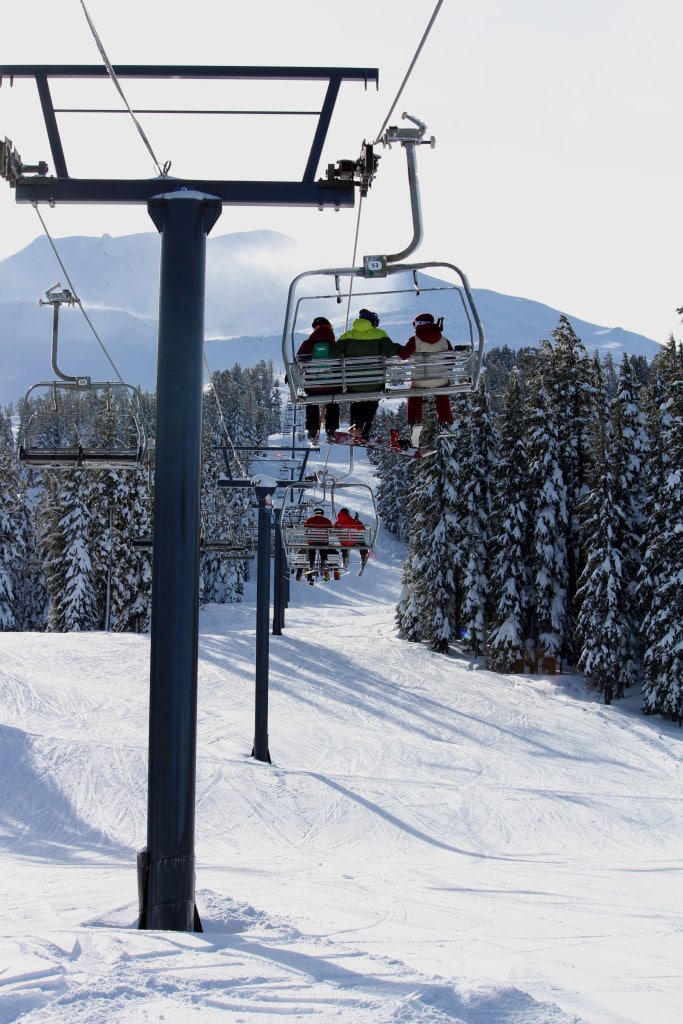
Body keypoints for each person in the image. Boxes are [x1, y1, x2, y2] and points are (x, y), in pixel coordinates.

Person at [333, 309, 399, 440]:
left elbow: (334, 353)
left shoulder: (347, 335)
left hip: (353, 383)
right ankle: (364, 429)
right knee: (372, 400)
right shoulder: (379, 334)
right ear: (373, 322)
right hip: (375, 383)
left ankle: (357, 424)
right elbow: (390, 351)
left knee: (356, 399)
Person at [397, 312, 456, 447]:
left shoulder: (415, 339)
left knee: (415, 395)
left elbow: (404, 355)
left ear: (418, 325)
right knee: (441, 394)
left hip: (420, 381)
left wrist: (397, 348)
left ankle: (415, 423)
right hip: (440, 380)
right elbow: (451, 360)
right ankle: (445, 423)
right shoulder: (444, 340)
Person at [296, 316, 340, 443]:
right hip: (332, 387)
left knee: (312, 401)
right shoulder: (335, 345)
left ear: (314, 329)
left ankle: (312, 432)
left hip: (312, 389)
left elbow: (297, 363)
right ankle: (331, 430)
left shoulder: (307, 344)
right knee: (333, 400)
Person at [300, 505, 333, 582]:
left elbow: (305, 531)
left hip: (312, 541)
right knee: (323, 547)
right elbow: (331, 531)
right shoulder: (327, 521)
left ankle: (312, 561)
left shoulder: (309, 520)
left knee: (311, 547)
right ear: (322, 513)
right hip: (323, 541)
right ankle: (323, 561)